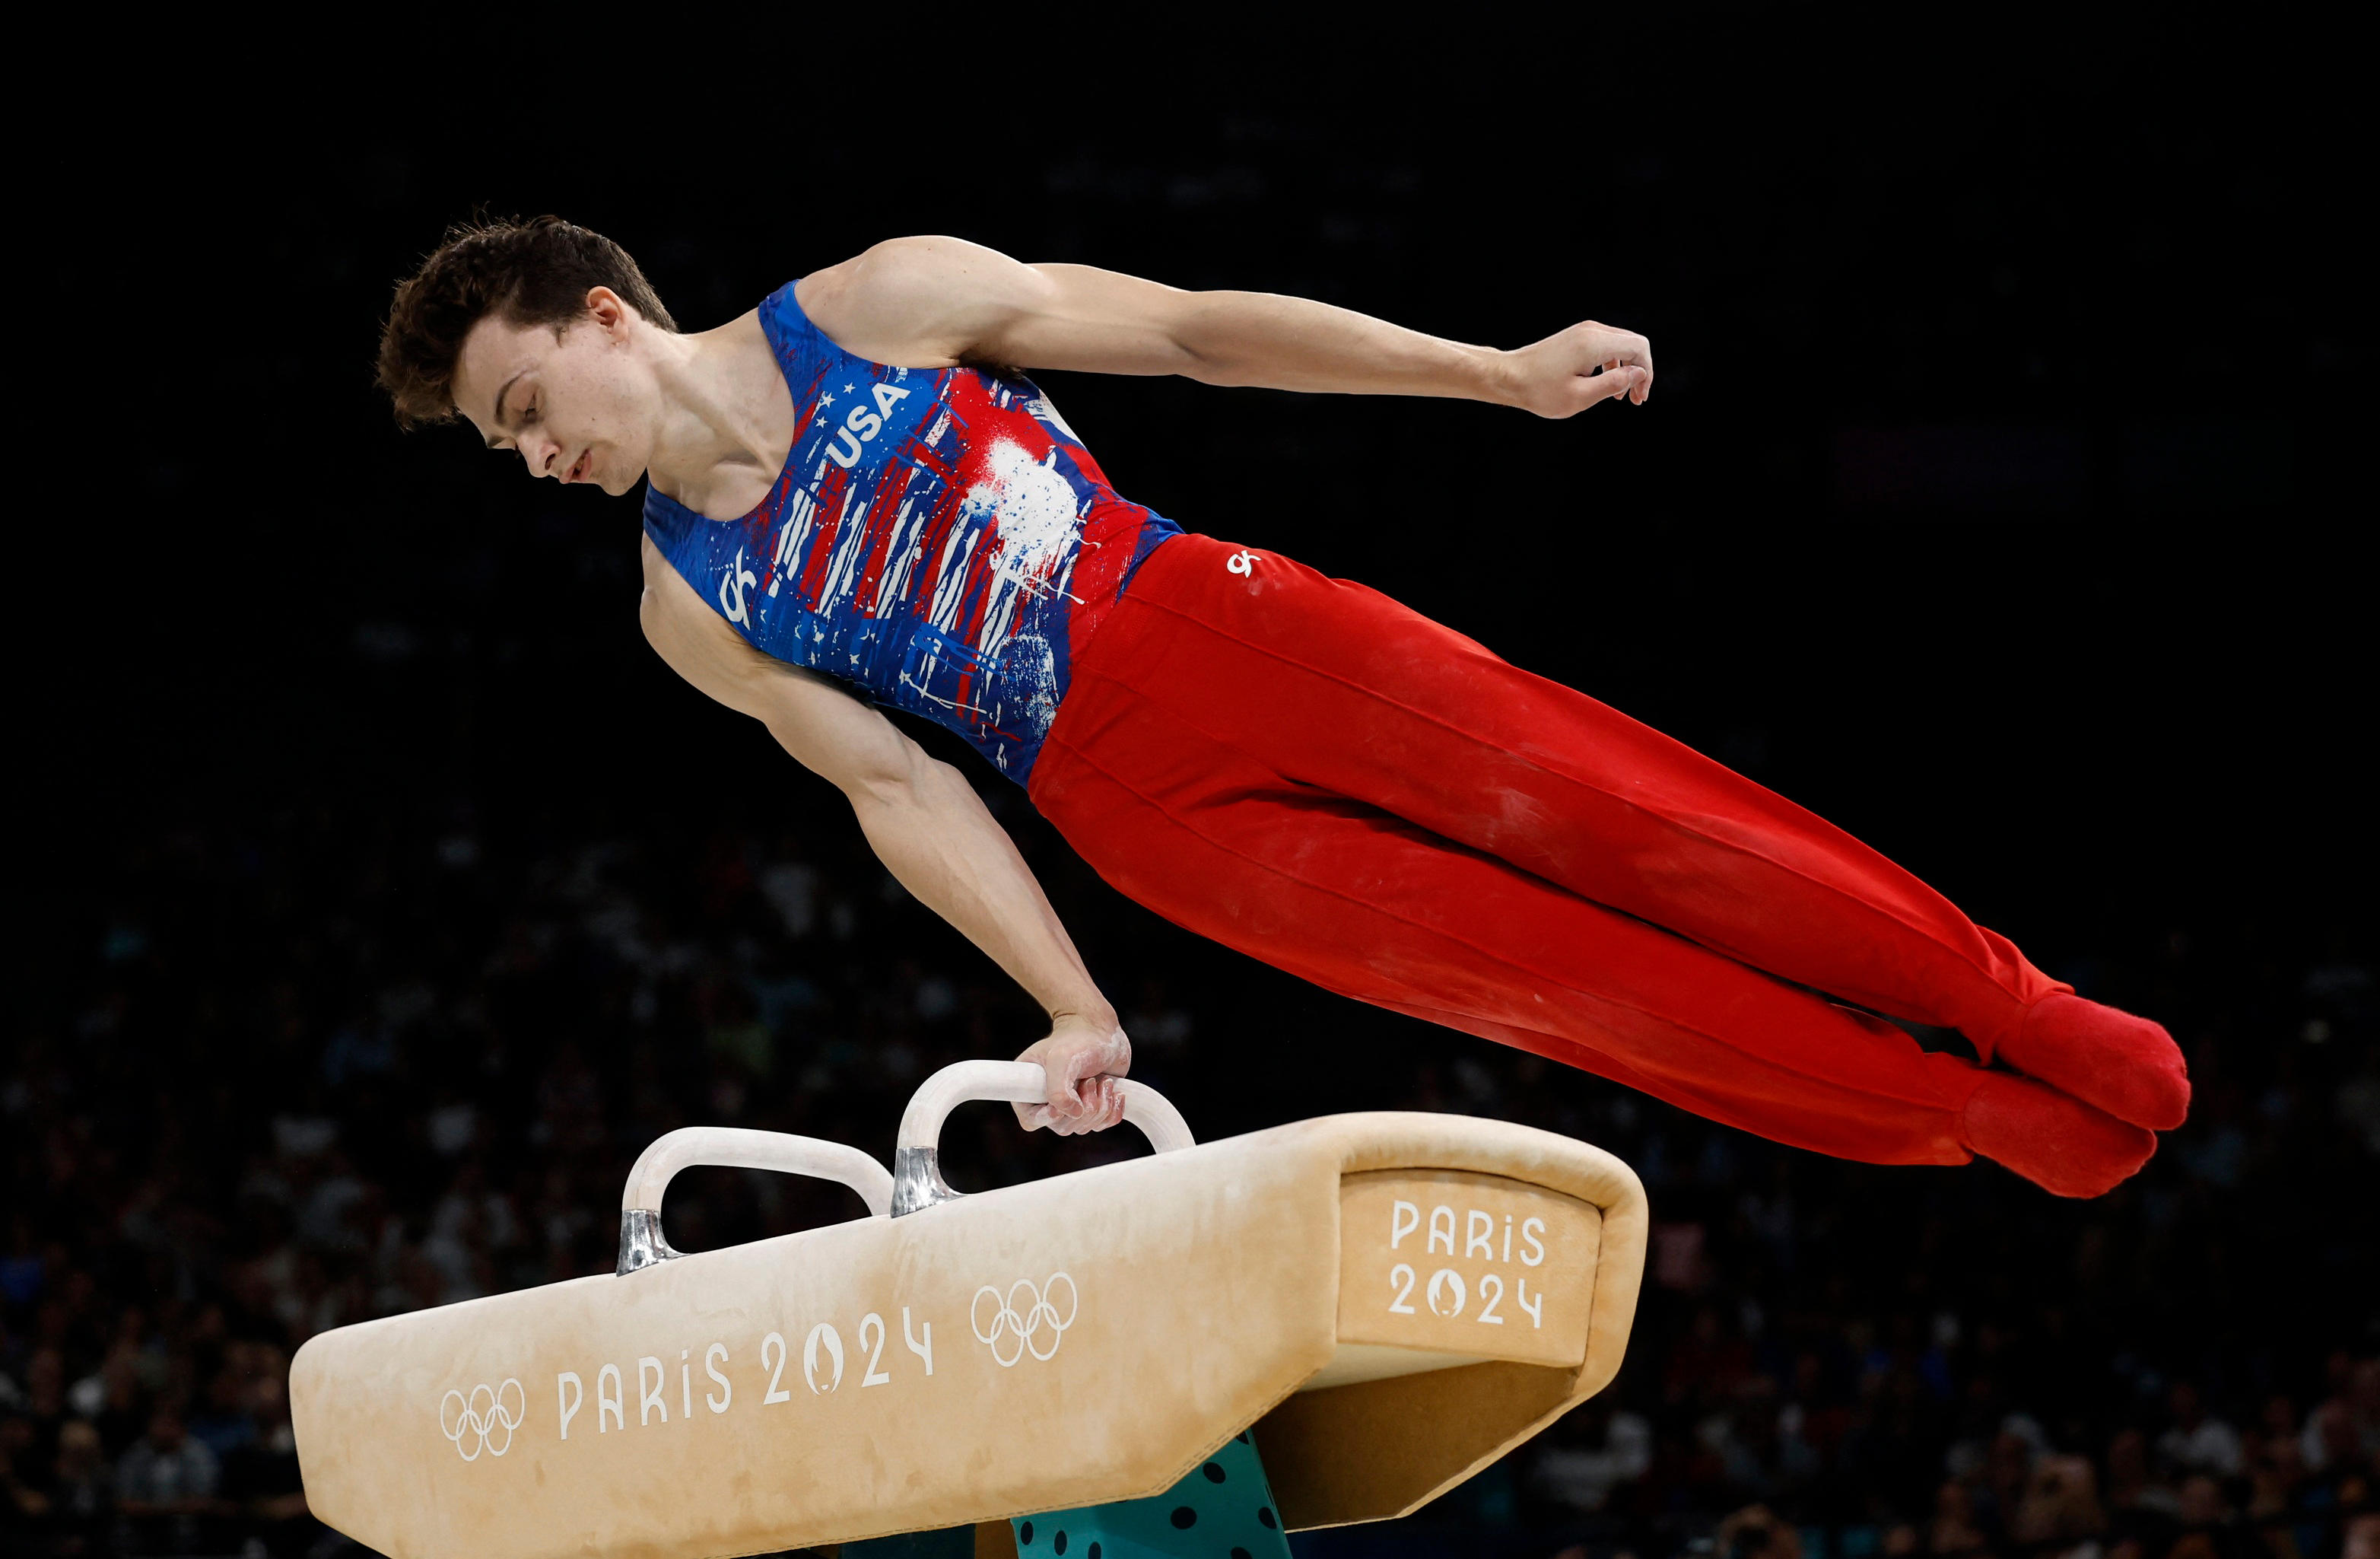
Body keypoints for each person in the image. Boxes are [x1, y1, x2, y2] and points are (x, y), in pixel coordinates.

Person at [374, 217, 2188, 1196]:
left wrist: (1484, 375)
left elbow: (1184, 330)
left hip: (1201, 617)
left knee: (1626, 818)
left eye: (528, 402)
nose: (535, 457)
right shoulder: (688, 606)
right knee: (1564, 990)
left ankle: (2011, 1008)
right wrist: (1072, 1002)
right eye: (503, 447)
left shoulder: (871, 304)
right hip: (1131, 813)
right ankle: (1962, 1116)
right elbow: (899, 789)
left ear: (608, 316)